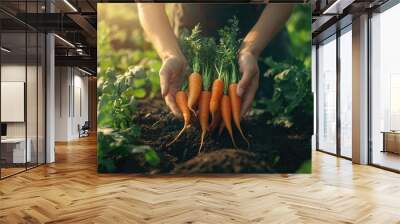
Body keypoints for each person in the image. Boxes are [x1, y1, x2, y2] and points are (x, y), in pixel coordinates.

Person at [138, 3, 293, 117]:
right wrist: (170, 54)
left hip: (261, 33)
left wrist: (251, 51)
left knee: (272, 109)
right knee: (196, 111)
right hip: (193, 41)